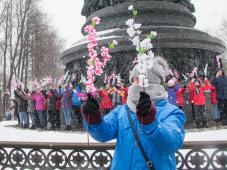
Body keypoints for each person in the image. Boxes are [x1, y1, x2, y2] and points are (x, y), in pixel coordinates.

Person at [82, 57, 186, 170]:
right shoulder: (122, 111)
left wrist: (151, 124)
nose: (133, 85)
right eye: (133, 81)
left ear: (150, 81)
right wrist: (94, 120)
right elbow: (103, 134)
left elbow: (170, 144)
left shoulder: (172, 112)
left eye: (137, 80)